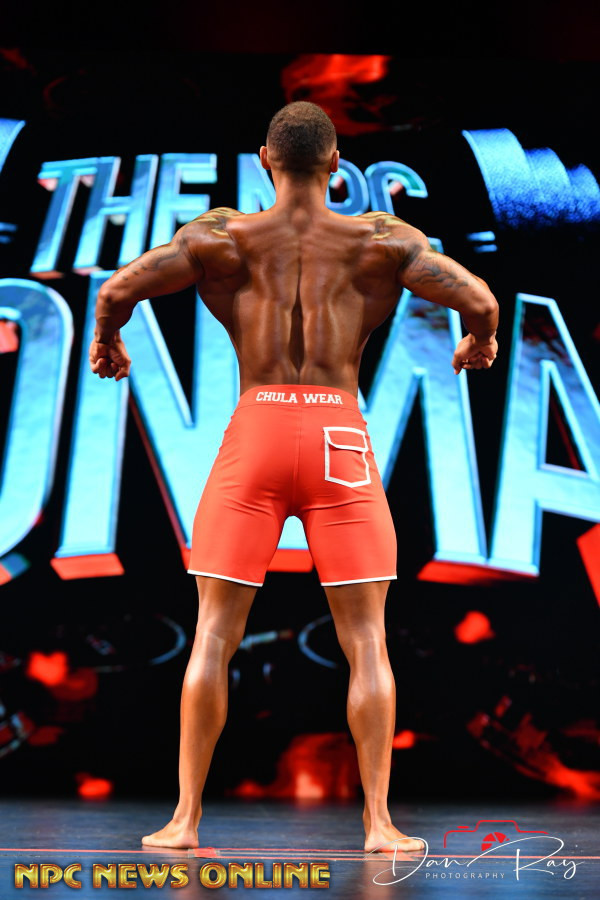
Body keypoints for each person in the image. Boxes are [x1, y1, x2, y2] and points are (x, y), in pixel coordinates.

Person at [89, 101, 499, 853]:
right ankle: (379, 825)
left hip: (259, 430)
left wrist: (109, 343)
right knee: (367, 641)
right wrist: (478, 342)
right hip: (339, 435)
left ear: (265, 161)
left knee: (214, 634)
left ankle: (184, 820)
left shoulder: (221, 235)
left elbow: (116, 291)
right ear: (337, 163)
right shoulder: (382, 238)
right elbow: (479, 299)